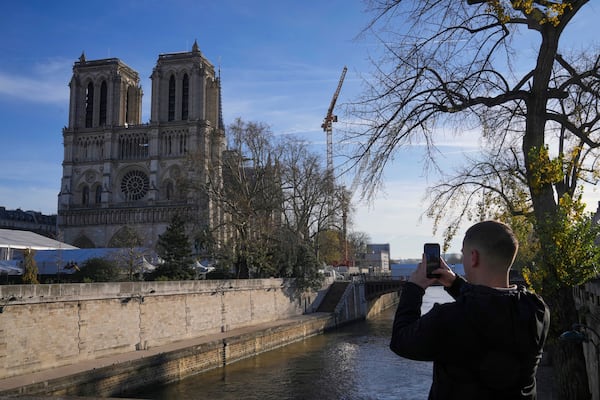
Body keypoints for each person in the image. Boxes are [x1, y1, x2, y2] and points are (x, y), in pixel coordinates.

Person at [390, 220, 550, 399]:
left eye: (463, 254)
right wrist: (455, 284)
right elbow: (490, 309)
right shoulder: (537, 309)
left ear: (473, 257)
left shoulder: (447, 319)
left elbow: (400, 340)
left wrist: (414, 288)